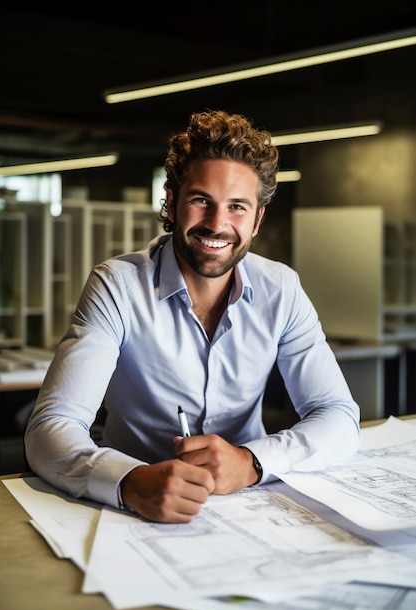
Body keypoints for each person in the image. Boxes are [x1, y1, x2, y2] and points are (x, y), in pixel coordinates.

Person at [25, 110, 360, 523]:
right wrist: (128, 480)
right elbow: (51, 426)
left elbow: (339, 417)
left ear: (257, 219)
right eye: (201, 200)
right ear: (171, 201)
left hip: (249, 506)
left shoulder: (282, 288)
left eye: (237, 207)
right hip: (130, 514)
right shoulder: (117, 285)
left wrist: (251, 462)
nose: (217, 224)